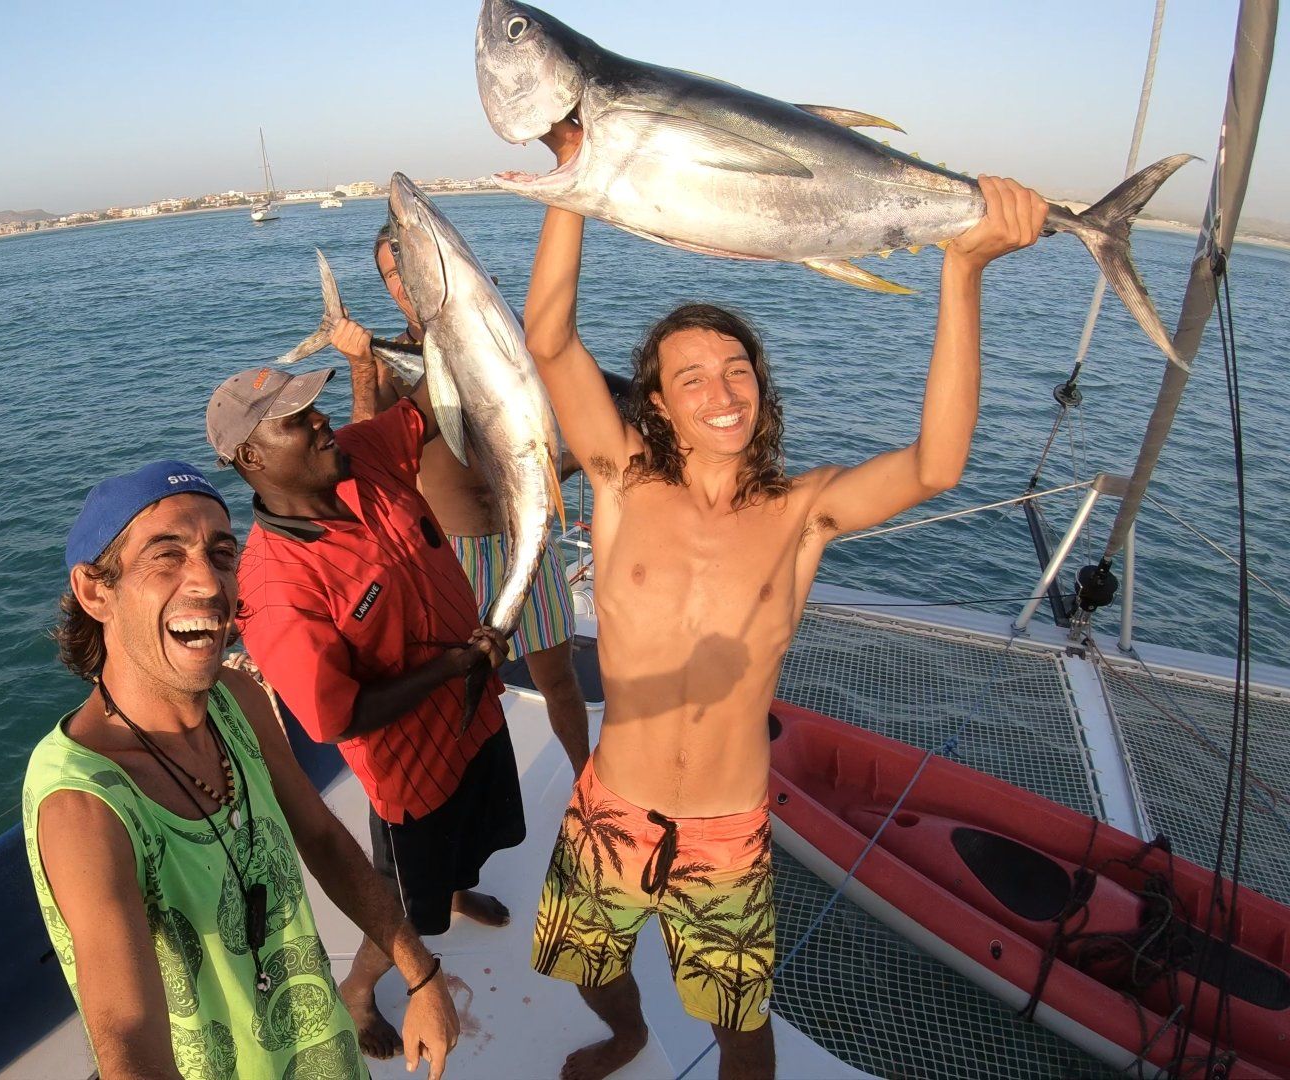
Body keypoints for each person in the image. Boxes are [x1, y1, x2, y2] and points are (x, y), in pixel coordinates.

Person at [521, 119, 1049, 1080]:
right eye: (692, 377)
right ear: (658, 404)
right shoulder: (622, 480)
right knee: (589, 967)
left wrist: (963, 271)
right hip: (612, 804)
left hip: (727, 830)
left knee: (740, 1026)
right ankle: (627, 1034)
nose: (722, 390)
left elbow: (937, 465)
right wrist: (577, 172)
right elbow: (549, 339)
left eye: (738, 369)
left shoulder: (804, 512)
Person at [24, 459, 459, 1079]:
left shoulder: (238, 700)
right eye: (166, 555)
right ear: (97, 592)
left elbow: (322, 837)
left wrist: (421, 973)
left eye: (222, 554)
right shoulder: (86, 803)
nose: (208, 582)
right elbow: (126, 1034)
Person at [207, 365, 524, 1060]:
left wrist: (446, 320)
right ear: (251, 457)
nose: (322, 421)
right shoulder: (274, 586)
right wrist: (452, 667)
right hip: (414, 775)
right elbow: (337, 717)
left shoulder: (361, 453)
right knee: (405, 906)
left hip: (477, 718)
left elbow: (432, 401)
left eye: (315, 407)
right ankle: (357, 991)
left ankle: (457, 888)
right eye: (297, 420)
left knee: (474, 839)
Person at [329, 225, 592, 778]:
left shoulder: (505, 336)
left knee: (559, 680)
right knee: (458, 689)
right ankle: (465, 789)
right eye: (393, 273)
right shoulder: (389, 363)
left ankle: (583, 780)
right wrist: (359, 365)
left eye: (411, 265)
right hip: (454, 555)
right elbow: (363, 454)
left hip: (530, 538)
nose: (406, 280)